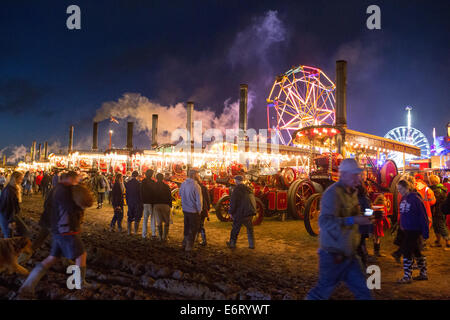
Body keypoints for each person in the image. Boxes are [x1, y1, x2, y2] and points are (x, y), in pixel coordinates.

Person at [18, 171, 94, 298]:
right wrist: (81, 206)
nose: (77, 182)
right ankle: (79, 282)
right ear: (69, 178)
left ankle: (27, 286)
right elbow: (69, 208)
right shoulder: (62, 191)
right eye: (76, 179)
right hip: (67, 230)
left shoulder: (59, 189)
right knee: (81, 255)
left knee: (51, 259)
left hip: (58, 230)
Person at [306, 159, 373, 300]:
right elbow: (324, 222)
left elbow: (353, 217)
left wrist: (367, 217)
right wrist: (354, 220)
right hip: (332, 256)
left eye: (358, 174)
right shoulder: (332, 194)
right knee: (321, 293)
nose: (358, 178)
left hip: (350, 254)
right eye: (354, 175)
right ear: (343, 174)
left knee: (364, 292)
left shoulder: (353, 193)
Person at [396, 179, 429, 283]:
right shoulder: (403, 198)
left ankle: (407, 276)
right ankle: (423, 273)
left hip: (414, 229)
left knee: (406, 250)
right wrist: (402, 224)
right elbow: (402, 213)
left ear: (407, 188)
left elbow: (423, 215)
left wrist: (425, 232)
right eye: (398, 189)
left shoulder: (416, 199)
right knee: (416, 251)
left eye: (400, 189)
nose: (399, 191)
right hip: (407, 229)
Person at [226, 175, 256, 249]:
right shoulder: (249, 189)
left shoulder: (236, 190)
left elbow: (233, 203)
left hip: (240, 213)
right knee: (250, 229)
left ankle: (232, 243)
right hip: (249, 212)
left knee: (235, 229)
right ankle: (252, 244)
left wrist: (230, 212)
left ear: (236, 181)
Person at [0, 171, 31, 239]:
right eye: (20, 179)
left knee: (9, 235)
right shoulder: (9, 191)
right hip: (7, 216)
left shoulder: (10, 188)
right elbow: (9, 207)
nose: (21, 181)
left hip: (7, 215)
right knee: (8, 236)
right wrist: (11, 221)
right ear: (15, 179)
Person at [179, 169, 202, 251]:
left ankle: (184, 242)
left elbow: (180, 194)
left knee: (186, 226)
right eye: (197, 174)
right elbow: (199, 200)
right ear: (194, 175)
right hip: (193, 210)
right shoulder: (196, 186)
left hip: (185, 209)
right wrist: (199, 210)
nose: (198, 176)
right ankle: (189, 246)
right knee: (193, 228)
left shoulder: (183, 184)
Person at [428, 175, 450, 250]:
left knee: (441, 226)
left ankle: (448, 242)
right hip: (437, 211)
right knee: (436, 226)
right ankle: (438, 241)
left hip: (439, 211)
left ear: (432, 182)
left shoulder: (437, 190)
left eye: (430, 181)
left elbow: (435, 201)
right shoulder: (438, 189)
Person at [153, 173, 172, 241]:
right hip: (165, 204)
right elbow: (169, 196)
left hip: (156, 204)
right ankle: (165, 237)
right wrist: (170, 205)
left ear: (156, 178)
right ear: (163, 178)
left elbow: (152, 195)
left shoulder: (154, 186)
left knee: (159, 221)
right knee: (167, 221)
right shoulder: (166, 186)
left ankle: (160, 237)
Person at [141, 169, 156, 239]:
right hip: (151, 202)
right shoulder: (153, 182)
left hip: (145, 202)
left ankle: (144, 234)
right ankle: (153, 233)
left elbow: (140, 192)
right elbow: (154, 192)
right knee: (153, 218)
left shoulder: (143, 181)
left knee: (145, 219)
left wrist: (142, 201)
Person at [125, 171, 142, 235]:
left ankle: (129, 231)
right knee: (137, 216)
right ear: (137, 176)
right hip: (137, 201)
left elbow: (127, 193)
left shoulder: (128, 183)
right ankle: (135, 232)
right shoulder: (139, 184)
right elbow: (140, 194)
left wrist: (127, 201)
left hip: (130, 201)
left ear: (132, 175)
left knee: (130, 215)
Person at [196, 175, 211, 246]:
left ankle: (203, 240)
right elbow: (208, 198)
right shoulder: (203, 187)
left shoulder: (196, 187)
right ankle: (198, 238)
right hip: (203, 208)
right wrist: (208, 207)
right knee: (200, 224)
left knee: (199, 224)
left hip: (198, 208)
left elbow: (207, 198)